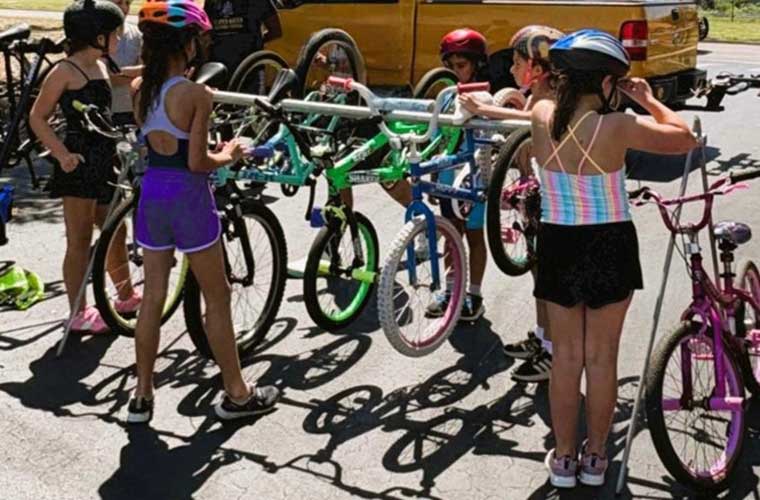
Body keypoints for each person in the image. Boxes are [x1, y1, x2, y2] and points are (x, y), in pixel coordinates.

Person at [531, 30, 697, 488]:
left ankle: (563, 459)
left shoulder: (541, 115)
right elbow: (685, 137)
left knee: (566, 357)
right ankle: (596, 457)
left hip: (559, 241)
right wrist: (645, 100)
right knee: (601, 357)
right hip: (609, 242)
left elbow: (540, 95)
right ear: (607, 81)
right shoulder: (619, 125)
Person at [126, 0, 280, 424]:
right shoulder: (196, 94)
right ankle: (237, 392)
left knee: (153, 297)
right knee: (218, 295)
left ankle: (141, 394)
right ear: (188, 43)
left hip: (152, 192)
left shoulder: (141, 88)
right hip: (189, 198)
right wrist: (229, 152)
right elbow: (198, 162)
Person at [459, 25, 564, 383]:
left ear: (536, 66)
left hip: (559, 206)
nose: (511, 68)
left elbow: (541, 124)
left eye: (517, 61)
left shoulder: (553, 97)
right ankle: (543, 337)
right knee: (539, 276)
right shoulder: (536, 92)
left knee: (550, 280)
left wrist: (489, 113)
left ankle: (554, 353)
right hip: (542, 200)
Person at [29, 0, 137, 333]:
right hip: (77, 160)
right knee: (78, 240)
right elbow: (38, 117)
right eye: (115, 34)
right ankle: (78, 312)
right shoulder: (65, 71)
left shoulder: (101, 64)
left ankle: (125, 295)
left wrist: (157, 71)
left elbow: (120, 81)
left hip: (106, 156)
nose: (119, 39)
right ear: (97, 37)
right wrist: (61, 154)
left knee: (115, 229)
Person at [417, 28, 491, 322]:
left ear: (477, 65)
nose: (456, 72)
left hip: (475, 175)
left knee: (474, 236)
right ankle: (450, 290)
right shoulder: (447, 95)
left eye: (462, 66)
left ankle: (474, 293)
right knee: (451, 235)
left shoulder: (485, 95)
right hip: (448, 174)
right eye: (451, 66)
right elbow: (437, 136)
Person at [203, 0, 282, 82]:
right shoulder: (211, 2)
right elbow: (205, 33)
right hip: (217, 71)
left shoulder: (259, 2)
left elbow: (276, 31)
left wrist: (255, 43)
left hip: (249, 72)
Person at [107, 0, 143, 127]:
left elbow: (146, 72)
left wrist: (118, 72)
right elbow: (103, 78)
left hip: (131, 108)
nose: (124, 8)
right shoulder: (96, 35)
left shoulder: (137, 34)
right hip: (107, 109)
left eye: (127, 3)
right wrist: (134, 75)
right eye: (119, 3)